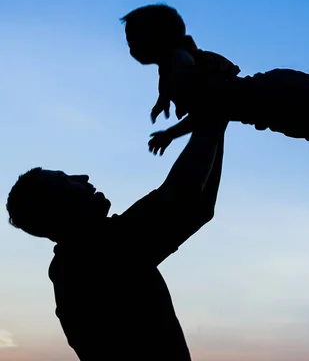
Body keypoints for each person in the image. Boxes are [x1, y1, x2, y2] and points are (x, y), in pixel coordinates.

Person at [5, 117, 228, 360]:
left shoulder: (79, 260)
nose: (83, 177)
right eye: (66, 180)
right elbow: (183, 193)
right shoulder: (93, 256)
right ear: (57, 207)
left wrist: (217, 119)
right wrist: (216, 108)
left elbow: (198, 208)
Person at [120, 4, 309, 156]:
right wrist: (163, 98)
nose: (131, 45)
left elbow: (206, 111)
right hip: (266, 110)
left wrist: (171, 134)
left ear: (158, 39)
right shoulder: (174, 63)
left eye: (134, 38)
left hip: (269, 94)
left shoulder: (181, 68)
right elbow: (170, 78)